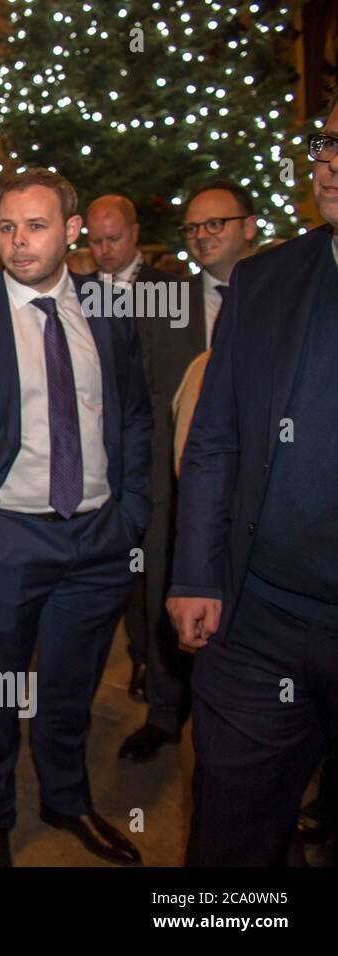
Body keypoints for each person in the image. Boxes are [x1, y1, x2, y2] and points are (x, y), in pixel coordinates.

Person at [0, 168, 152, 867]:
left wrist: (133, 511)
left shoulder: (108, 309)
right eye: (6, 227)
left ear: (73, 230)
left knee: (72, 686)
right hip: (3, 539)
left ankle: (67, 798)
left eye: (37, 225)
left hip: (98, 538)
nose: (18, 242)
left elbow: (135, 415)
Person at [169, 105, 338, 866]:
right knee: (232, 838)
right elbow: (215, 442)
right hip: (256, 621)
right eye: (325, 142)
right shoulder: (268, 282)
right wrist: (198, 573)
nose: (328, 161)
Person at [84, 195, 202, 759]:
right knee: (117, 579)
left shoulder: (171, 292)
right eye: (96, 241)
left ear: (135, 234)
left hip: (155, 466)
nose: (104, 251)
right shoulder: (78, 293)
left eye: (114, 239)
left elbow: (179, 392)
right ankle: (136, 661)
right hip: (97, 468)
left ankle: (167, 700)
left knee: (158, 576)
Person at [180, 179, 258, 350]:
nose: (200, 236)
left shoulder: (285, 295)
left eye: (214, 224)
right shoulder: (164, 305)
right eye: (192, 228)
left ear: (248, 227)